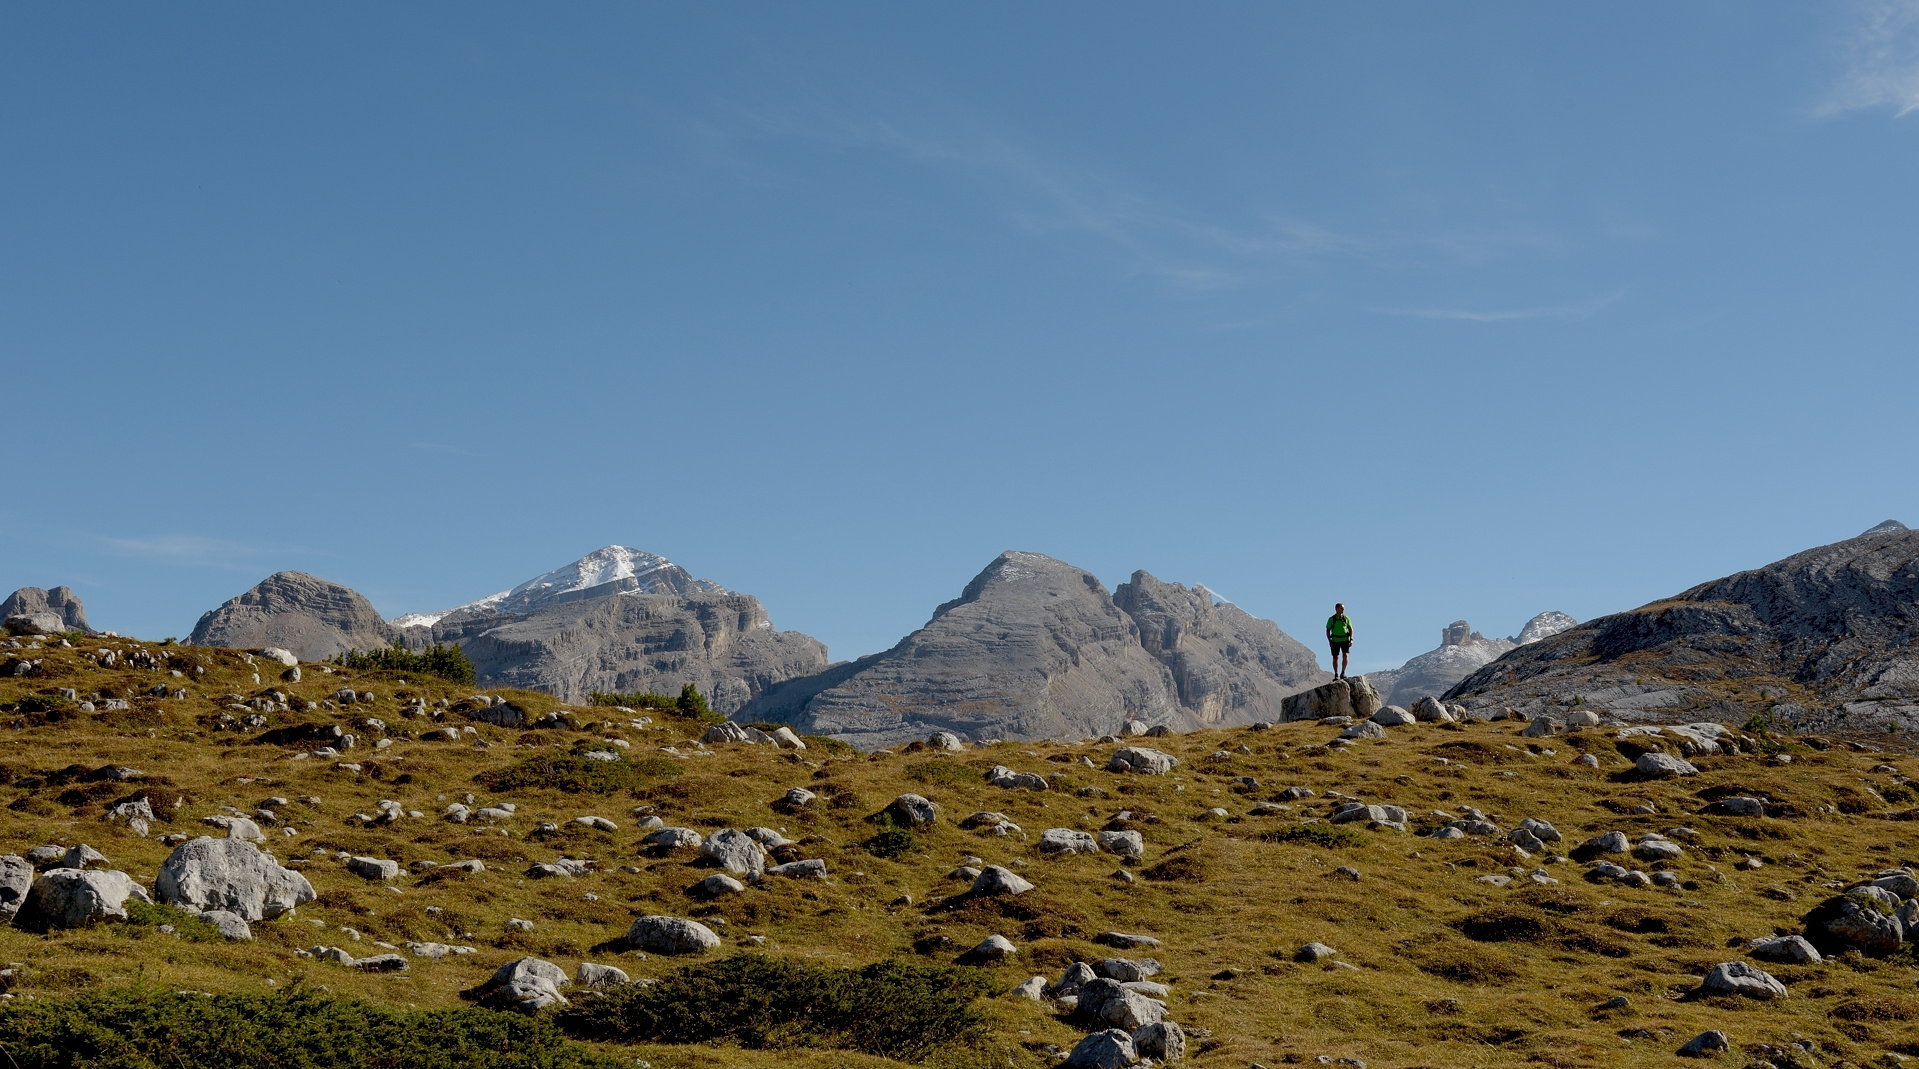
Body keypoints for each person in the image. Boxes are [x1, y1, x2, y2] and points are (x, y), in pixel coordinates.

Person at [1325, 603, 1353, 680]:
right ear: (1337, 608)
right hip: (1335, 640)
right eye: (1341, 608)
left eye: (1343, 608)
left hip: (1345, 640)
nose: (1343, 610)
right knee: (1335, 657)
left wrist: (1351, 639)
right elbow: (1328, 630)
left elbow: (1350, 629)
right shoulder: (1332, 619)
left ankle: (1343, 672)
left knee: (1345, 655)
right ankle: (1336, 674)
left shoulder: (1346, 618)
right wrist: (1329, 641)